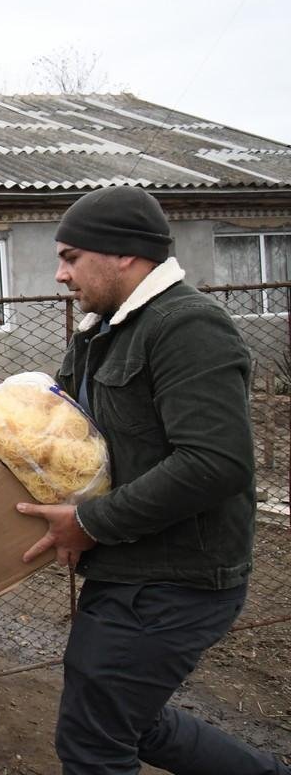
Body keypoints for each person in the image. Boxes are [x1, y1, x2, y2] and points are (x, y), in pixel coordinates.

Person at [18, 185, 289, 775]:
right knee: (134, 725)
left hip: (174, 581)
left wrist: (88, 521)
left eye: (70, 256)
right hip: (133, 567)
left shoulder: (187, 326)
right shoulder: (105, 329)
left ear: (123, 254)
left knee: (93, 744)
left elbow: (216, 462)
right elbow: (70, 426)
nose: (60, 275)